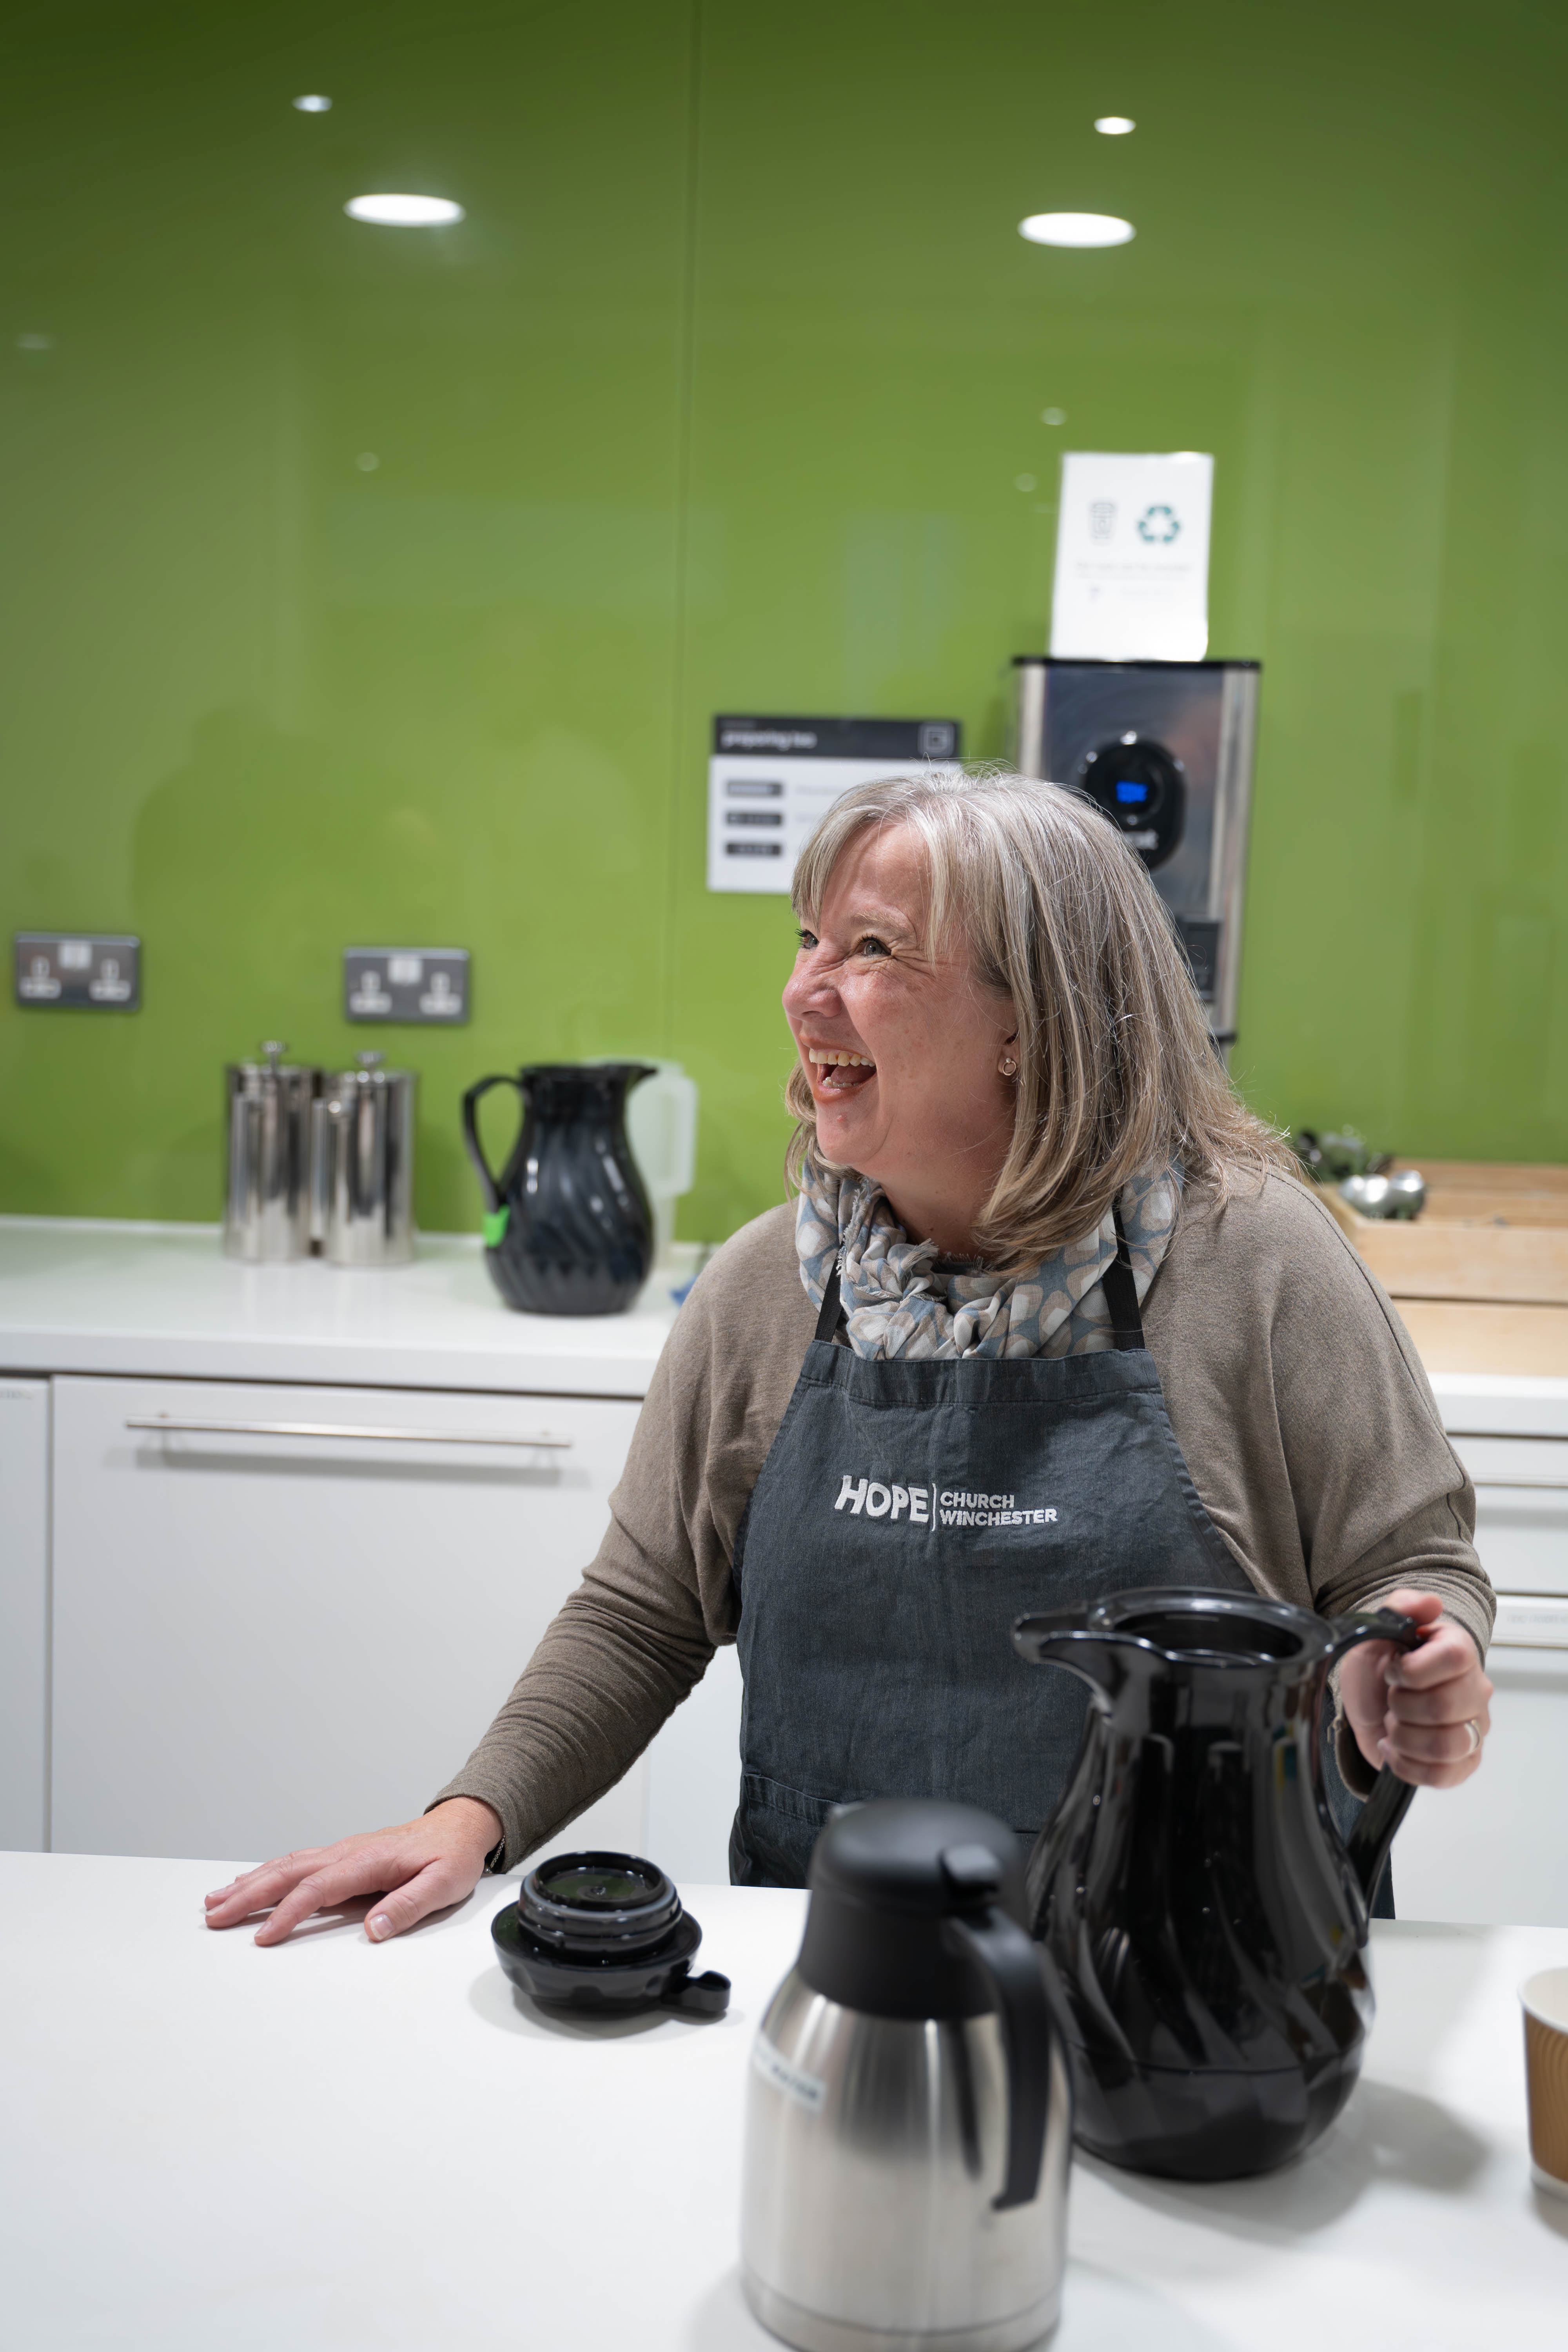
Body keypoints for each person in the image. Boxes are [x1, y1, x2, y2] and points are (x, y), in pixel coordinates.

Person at [205, 771, 1494, 1945]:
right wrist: (467, 1819)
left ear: (1026, 1023)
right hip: (848, 1995)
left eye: (873, 950)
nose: (804, 990)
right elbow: (644, 1611)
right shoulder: (771, 1285)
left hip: (1204, 1990)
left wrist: (1420, 1676)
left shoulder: (1252, 1260)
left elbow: (1412, 1568)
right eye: (808, 942)